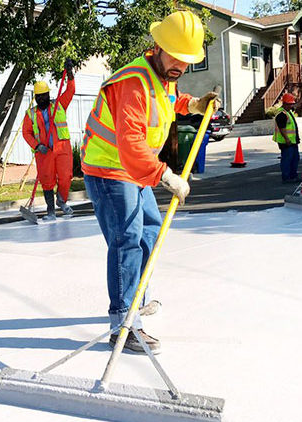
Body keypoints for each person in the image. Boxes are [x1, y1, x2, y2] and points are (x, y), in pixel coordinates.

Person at [81, 10, 220, 354]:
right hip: (110, 168)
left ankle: (135, 298)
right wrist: (167, 176)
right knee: (127, 238)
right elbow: (131, 147)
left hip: (134, 169)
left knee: (150, 231)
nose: (180, 66)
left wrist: (195, 104)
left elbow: (169, 103)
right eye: (175, 56)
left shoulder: (164, 77)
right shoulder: (133, 83)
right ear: (157, 46)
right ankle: (123, 323)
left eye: (186, 60)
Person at [23, 59, 77, 221]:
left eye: (44, 95)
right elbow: (26, 133)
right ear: (35, 97)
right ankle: (51, 211)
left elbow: (71, 90)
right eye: (38, 96)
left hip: (62, 149)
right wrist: (37, 146)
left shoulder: (59, 105)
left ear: (48, 94)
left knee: (66, 176)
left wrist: (70, 74)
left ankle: (61, 201)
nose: (41, 99)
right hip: (44, 152)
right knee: (47, 181)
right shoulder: (30, 114)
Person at [274, 93, 300, 183]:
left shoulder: (288, 112)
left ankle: (293, 176)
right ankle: (286, 177)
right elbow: (282, 128)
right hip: (286, 142)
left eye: (292, 103)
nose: (291, 105)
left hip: (292, 141)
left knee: (295, 158)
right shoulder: (282, 114)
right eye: (289, 104)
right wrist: (287, 139)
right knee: (287, 159)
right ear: (284, 103)